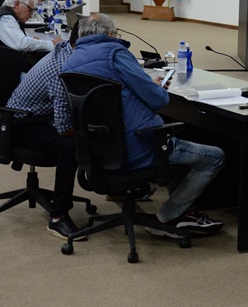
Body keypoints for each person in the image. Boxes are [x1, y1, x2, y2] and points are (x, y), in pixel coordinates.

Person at [57, 13, 226, 237]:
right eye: (115, 33)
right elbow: (159, 100)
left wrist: (143, 84)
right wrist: (151, 86)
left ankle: (187, 213)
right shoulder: (115, 52)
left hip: (97, 149)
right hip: (138, 147)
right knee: (214, 157)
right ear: (109, 34)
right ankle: (169, 217)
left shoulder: (71, 60)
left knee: (176, 140)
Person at [5, 20, 86, 240]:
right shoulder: (62, 68)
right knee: (70, 144)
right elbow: (62, 127)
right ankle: (58, 216)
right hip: (22, 125)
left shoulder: (69, 52)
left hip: (41, 117)